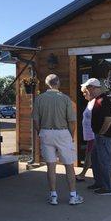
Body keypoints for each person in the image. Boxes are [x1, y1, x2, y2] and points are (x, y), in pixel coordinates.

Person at [32, 74, 83, 206]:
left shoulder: (39, 99)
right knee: (69, 165)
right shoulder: (65, 99)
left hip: (46, 132)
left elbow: (36, 121)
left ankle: (53, 195)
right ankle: (73, 195)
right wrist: (70, 135)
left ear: (47, 84)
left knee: (50, 166)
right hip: (62, 132)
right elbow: (72, 121)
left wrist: (40, 132)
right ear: (58, 83)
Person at [81, 78, 111, 196]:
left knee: (104, 161)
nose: (86, 90)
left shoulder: (103, 100)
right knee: (96, 159)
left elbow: (108, 119)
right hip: (98, 136)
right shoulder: (97, 100)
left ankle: (108, 187)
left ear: (92, 88)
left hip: (104, 136)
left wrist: (101, 133)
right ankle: (99, 183)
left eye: (87, 88)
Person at [75, 85, 96, 182]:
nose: (83, 94)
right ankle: (85, 174)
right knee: (90, 154)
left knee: (89, 154)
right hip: (89, 134)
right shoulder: (90, 103)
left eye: (84, 92)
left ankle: (83, 174)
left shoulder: (94, 103)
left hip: (93, 134)